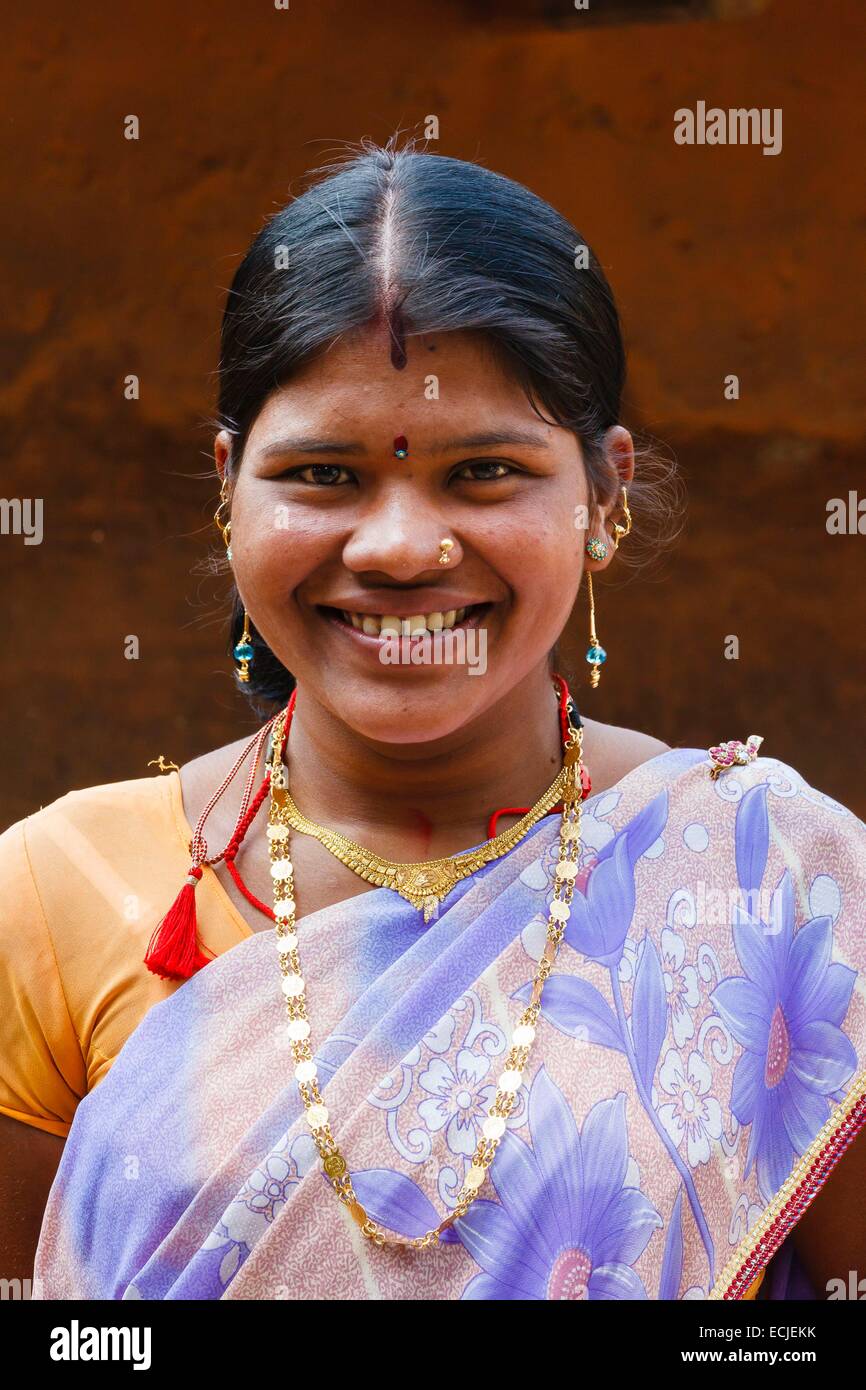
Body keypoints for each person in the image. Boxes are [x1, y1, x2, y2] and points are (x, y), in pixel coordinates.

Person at [2, 138, 864, 1301]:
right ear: (225, 488)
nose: (403, 548)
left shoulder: (773, 883)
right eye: (323, 473)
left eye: (483, 472)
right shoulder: (55, 898)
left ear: (603, 498)